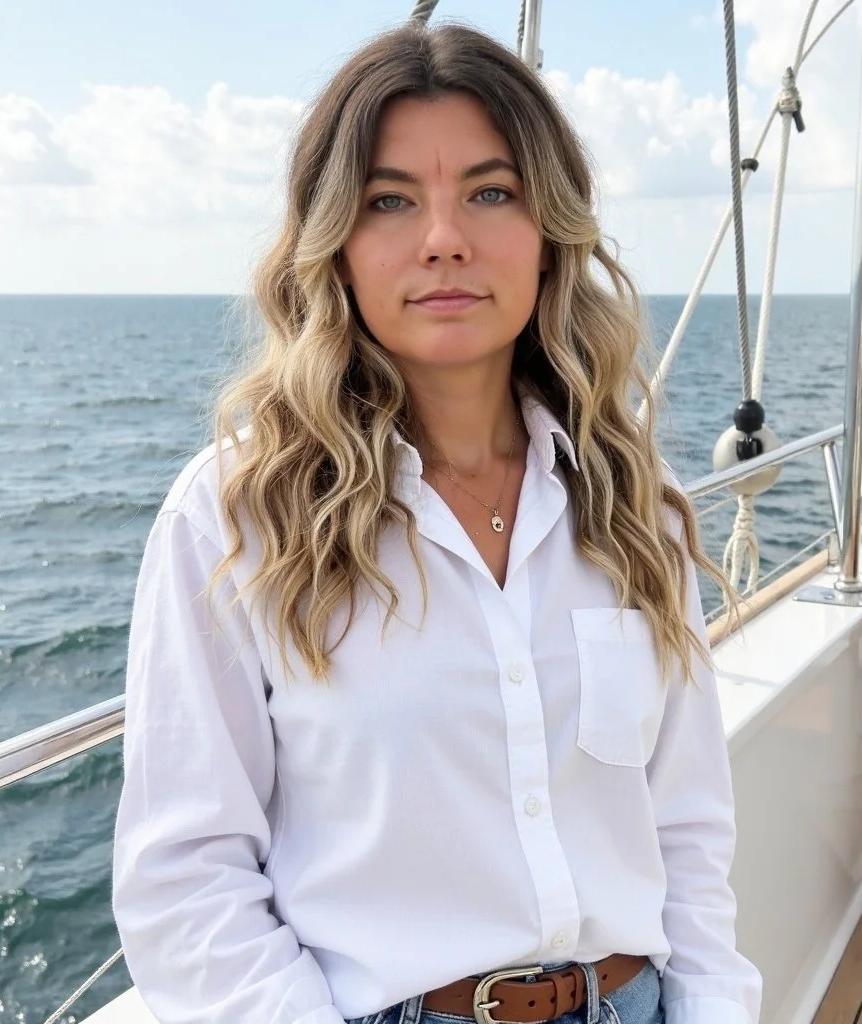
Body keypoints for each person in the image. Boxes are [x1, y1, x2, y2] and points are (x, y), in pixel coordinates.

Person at [112, 20, 763, 1024]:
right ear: (334, 246)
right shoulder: (237, 516)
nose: (444, 237)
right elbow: (185, 877)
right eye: (390, 200)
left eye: (490, 192)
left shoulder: (638, 511)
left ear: (549, 235)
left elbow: (686, 829)